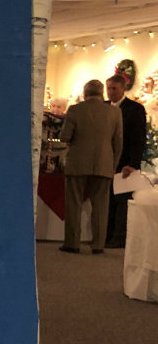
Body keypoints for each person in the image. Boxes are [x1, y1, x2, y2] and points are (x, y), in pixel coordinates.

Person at [58, 79, 122, 254]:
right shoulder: (114, 112)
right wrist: (113, 165)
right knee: (101, 206)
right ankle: (98, 245)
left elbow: (65, 136)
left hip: (77, 162)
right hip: (104, 163)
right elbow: (118, 142)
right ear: (102, 93)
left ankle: (72, 243)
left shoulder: (75, 110)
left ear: (85, 93)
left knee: (74, 204)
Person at [104, 73, 147, 248]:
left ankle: (118, 238)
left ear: (123, 89)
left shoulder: (135, 109)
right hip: (105, 161)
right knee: (106, 201)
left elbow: (138, 139)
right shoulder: (103, 107)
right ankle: (105, 236)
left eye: (114, 89)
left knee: (122, 202)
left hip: (125, 163)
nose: (110, 92)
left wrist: (133, 163)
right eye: (108, 88)